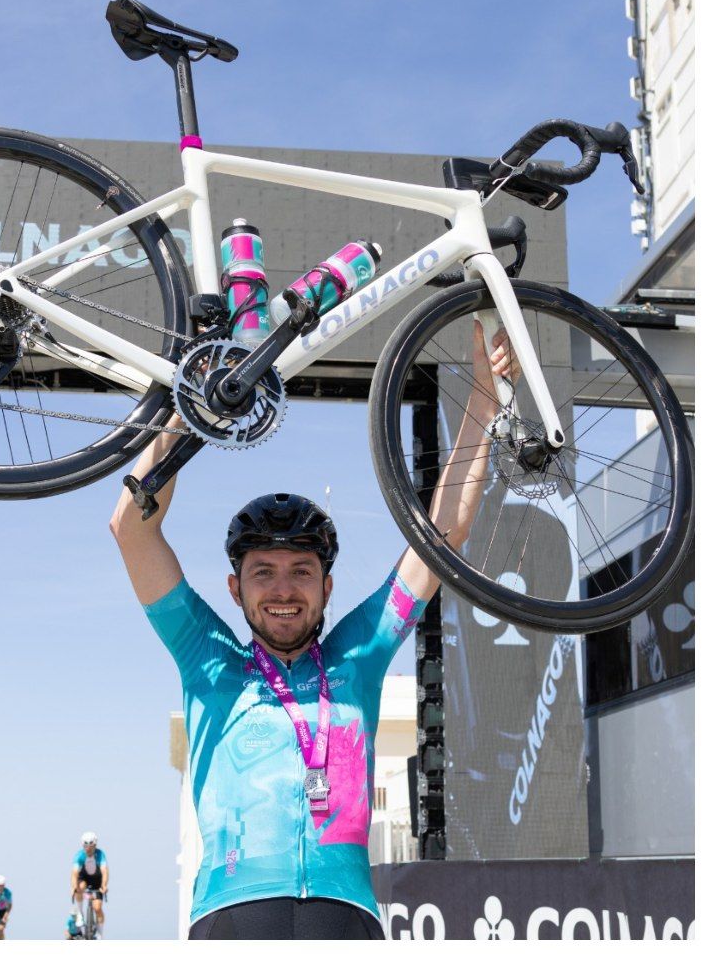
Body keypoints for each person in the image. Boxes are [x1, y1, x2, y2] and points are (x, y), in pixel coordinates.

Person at [111, 321, 512, 939]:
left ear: (327, 587)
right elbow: (132, 528)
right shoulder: (207, 657)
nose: (282, 588)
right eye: (262, 572)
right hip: (231, 914)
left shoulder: (359, 656)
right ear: (234, 589)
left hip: (346, 915)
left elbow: (443, 537)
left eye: (302, 570)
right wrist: (189, 406)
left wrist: (483, 402)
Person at [71, 831, 108, 937]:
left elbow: (104, 871)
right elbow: (74, 873)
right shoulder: (79, 855)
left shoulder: (100, 854)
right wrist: (74, 886)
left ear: (95, 845)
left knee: (97, 908)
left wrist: (104, 885)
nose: (88, 849)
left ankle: (100, 934)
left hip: (97, 880)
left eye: (91, 847)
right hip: (84, 879)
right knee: (79, 887)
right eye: (85, 846)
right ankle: (80, 913)